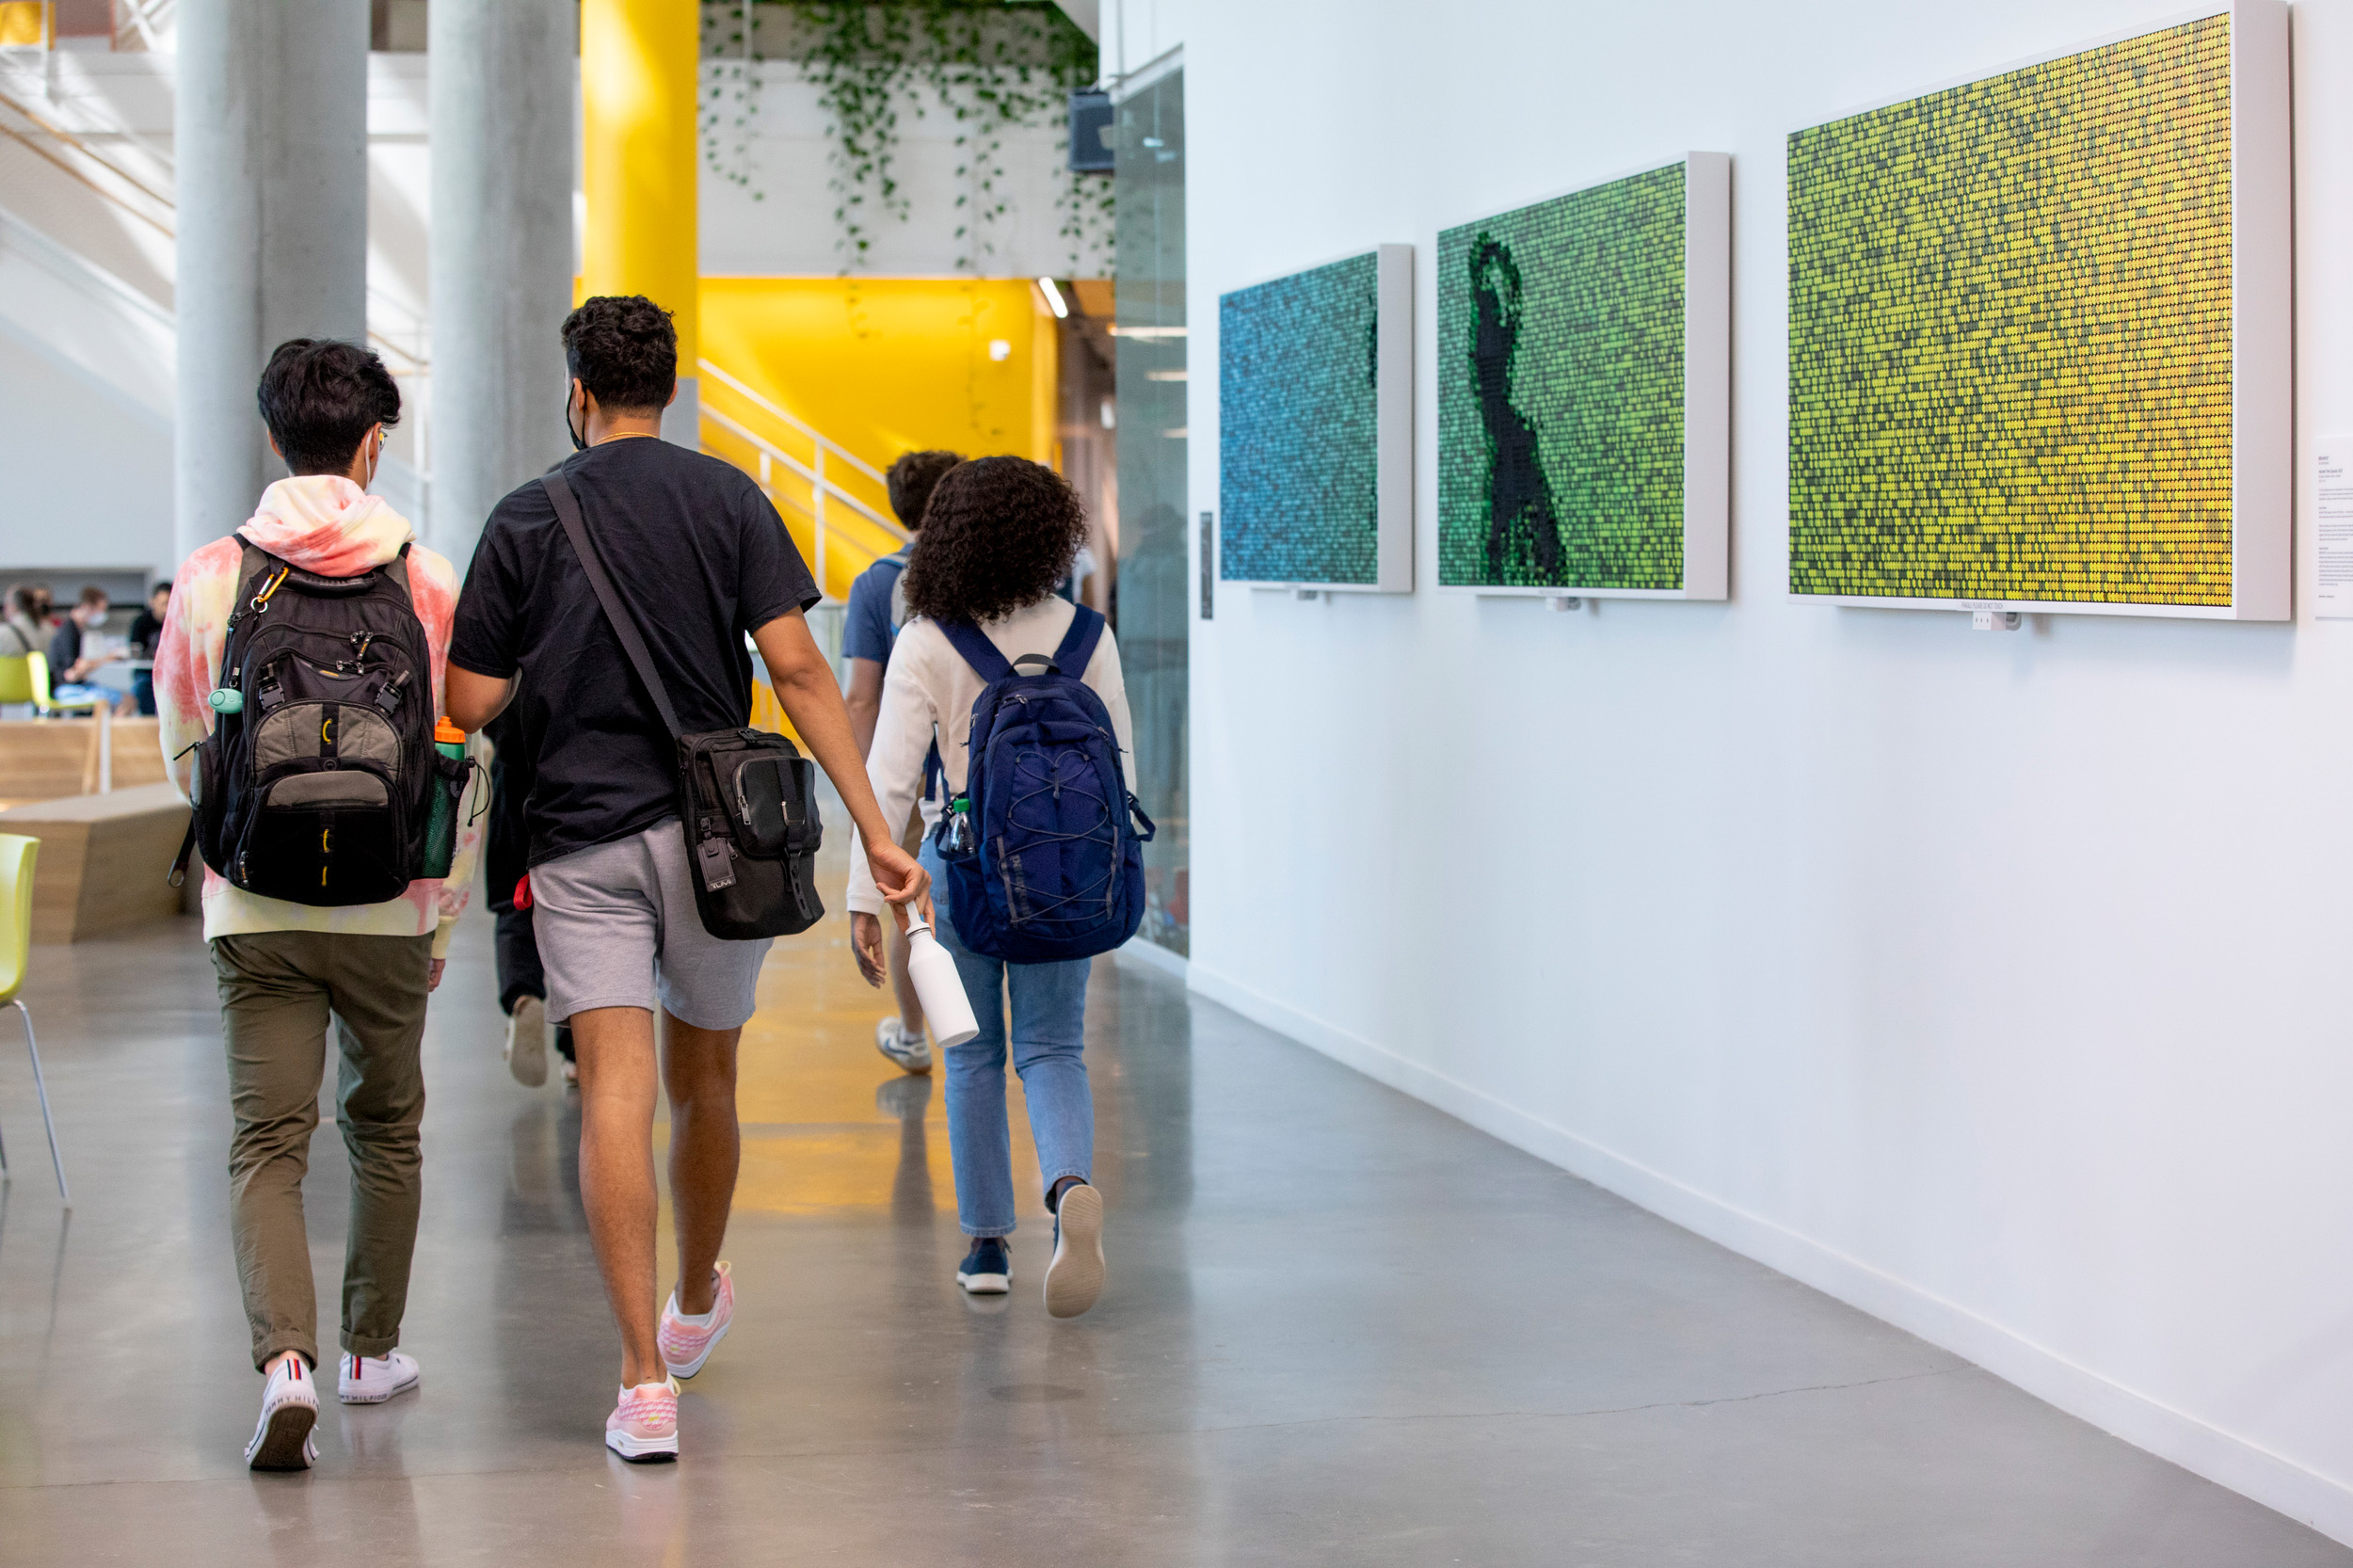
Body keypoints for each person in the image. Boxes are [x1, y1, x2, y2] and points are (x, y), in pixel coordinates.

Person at [442, 294, 927, 1464]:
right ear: (669, 387)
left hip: (579, 835)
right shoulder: (728, 498)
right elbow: (803, 671)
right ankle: (698, 1295)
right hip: (722, 841)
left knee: (614, 1087)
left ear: (578, 392)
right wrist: (872, 829)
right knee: (704, 1075)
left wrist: (548, 677)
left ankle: (641, 1385)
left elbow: (467, 702)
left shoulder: (524, 516)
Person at [154, 338, 481, 1472]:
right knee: (385, 1129)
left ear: (273, 436)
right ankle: (367, 1353)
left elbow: (183, 751)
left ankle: (283, 1361)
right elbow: (457, 761)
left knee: (266, 1141)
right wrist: (441, 915)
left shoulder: (210, 578)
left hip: (255, 903)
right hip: (392, 901)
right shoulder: (428, 579)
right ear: (372, 441)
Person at [847, 456, 1133, 1317]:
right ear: (1052, 535)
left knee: (970, 1054)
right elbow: (1120, 773)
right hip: (1063, 876)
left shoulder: (928, 640)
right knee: (1054, 1049)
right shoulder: (1090, 634)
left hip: (957, 875)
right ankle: (1068, 1189)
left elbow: (889, 782)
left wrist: (866, 897)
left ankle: (984, 1247)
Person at [842, 447, 962, 1076]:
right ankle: (974, 1034)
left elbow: (862, 696)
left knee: (909, 903)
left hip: (907, 767)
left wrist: (863, 792)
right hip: (974, 765)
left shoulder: (877, 582)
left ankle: (917, 1035)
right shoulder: (987, 572)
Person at [484, 704, 576, 1087]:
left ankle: (523, 996)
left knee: (513, 897)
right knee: (583, 910)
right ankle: (577, 1049)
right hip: (578, 776)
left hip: (513, 765)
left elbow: (478, 703)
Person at [49, 585, 119, 684]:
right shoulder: (69, 632)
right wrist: (105, 659)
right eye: (100, 610)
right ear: (87, 607)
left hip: (74, 684)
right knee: (127, 699)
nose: (102, 614)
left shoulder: (76, 629)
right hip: (66, 687)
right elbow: (72, 673)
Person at [127, 582, 169, 715]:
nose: (166, 608)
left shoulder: (178, 622)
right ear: (153, 602)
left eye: (169, 603)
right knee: (143, 690)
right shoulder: (140, 622)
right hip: (146, 673)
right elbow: (135, 650)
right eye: (163, 603)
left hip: (170, 674)